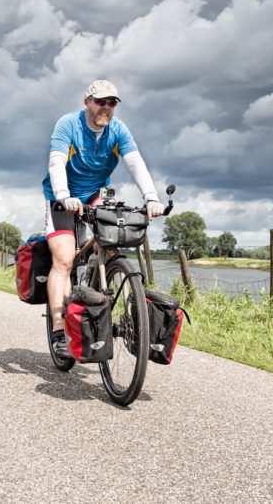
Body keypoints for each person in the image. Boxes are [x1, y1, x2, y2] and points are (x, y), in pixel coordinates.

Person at [42, 80, 166, 359]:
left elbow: (135, 163)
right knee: (64, 259)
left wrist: (151, 198)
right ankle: (60, 331)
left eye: (112, 103)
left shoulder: (118, 130)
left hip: (95, 194)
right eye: (101, 101)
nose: (106, 107)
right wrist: (63, 195)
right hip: (61, 196)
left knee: (111, 241)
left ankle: (101, 284)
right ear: (86, 102)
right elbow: (56, 162)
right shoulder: (68, 124)